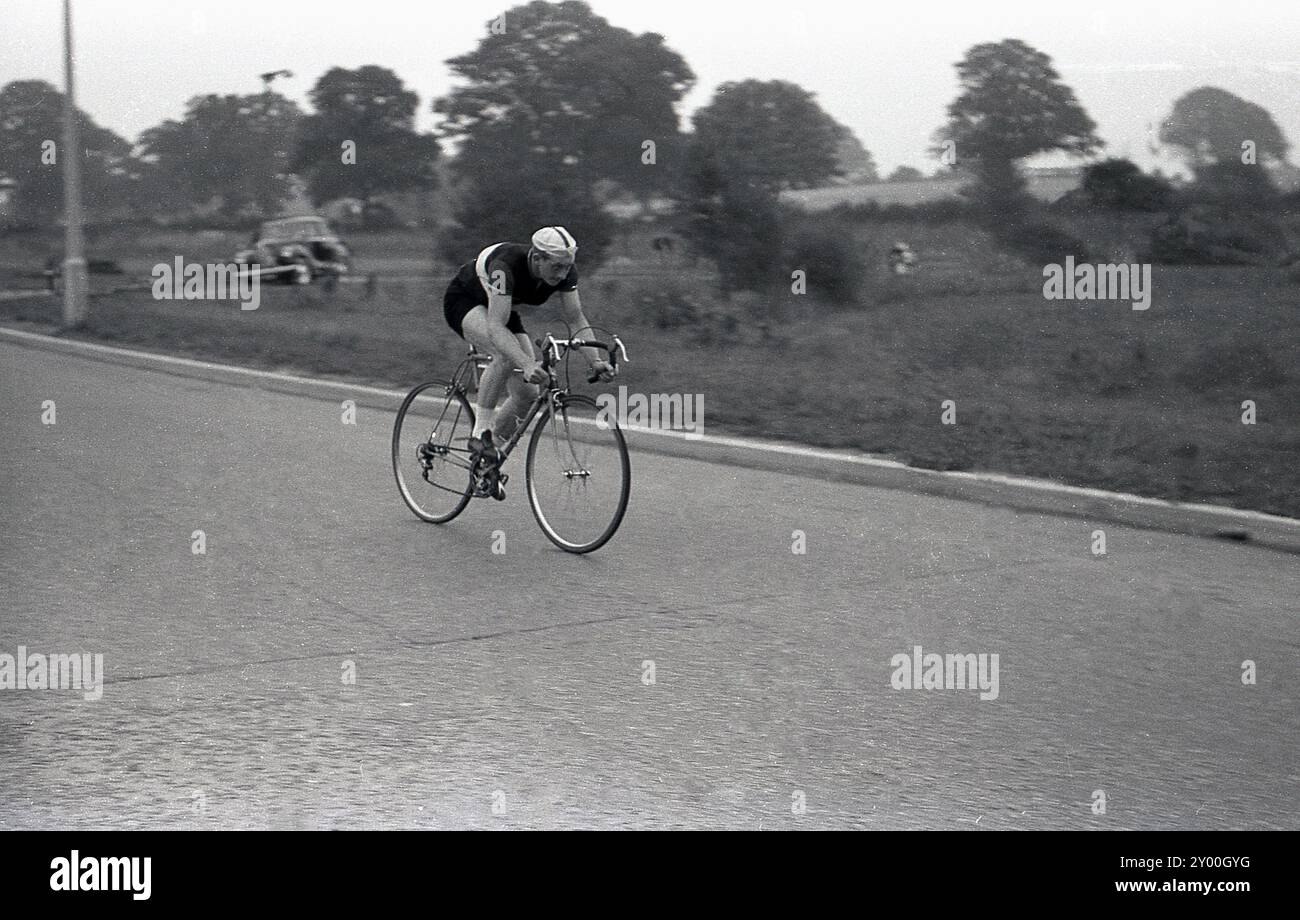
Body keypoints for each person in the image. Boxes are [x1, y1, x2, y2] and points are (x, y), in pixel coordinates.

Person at [442, 226, 616, 486]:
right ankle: (480, 435)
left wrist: (596, 361)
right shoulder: (504, 267)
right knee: (506, 354)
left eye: (567, 267)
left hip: (499, 306)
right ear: (537, 258)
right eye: (556, 267)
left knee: (528, 394)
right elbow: (496, 328)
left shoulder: (565, 270)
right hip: (464, 300)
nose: (563, 274)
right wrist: (525, 363)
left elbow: (576, 317)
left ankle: (489, 456)